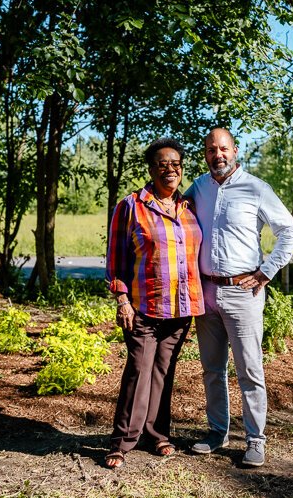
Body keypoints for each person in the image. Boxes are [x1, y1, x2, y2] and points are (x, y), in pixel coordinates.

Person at [184, 127, 293, 467]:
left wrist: (266, 271)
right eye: (210, 150)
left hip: (243, 292)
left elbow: (289, 231)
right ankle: (217, 432)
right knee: (211, 369)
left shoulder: (256, 188)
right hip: (206, 292)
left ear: (235, 150)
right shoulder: (199, 188)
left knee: (249, 369)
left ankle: (255, 440)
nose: (217, 155)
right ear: (205, 154)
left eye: (223, 148)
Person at [104, 137, 205, 469]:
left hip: (180, 309)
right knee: (138, 371)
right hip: (143, 306)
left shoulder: (188, 207)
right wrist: (122, 300)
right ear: (151, 169)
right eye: (163, 164)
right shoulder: (130, 206)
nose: (170, 169)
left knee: (163, 371)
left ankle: (158, 434)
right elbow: (116, 258)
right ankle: (122, 441)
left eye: (176, 164)